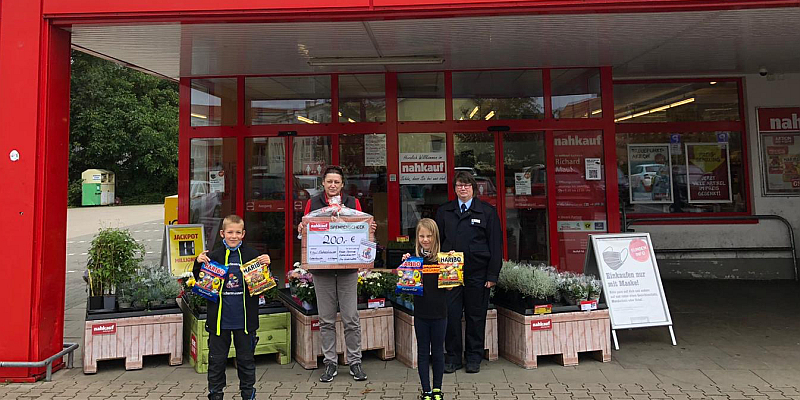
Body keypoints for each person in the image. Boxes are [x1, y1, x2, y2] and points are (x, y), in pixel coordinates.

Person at [297, 165, 377, 382]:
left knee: (351, 317)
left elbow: (363, 228)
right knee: (326, 319)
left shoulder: (353, 203)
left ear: (342, 185)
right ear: (323, 183)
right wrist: (301, 230)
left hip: (348, 269)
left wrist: (370, 229)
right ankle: (330, 363)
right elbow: (304, 230)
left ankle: (355, 362)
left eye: (337, 182)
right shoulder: (313, 203)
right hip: (322, 270)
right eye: (329, 181)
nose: (333, 185)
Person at [193, 214, 271, 400]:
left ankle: (248, 394)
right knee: (216, 362)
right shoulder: (213, 256)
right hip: (219, 323)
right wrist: (197, 264)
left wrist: (266, 265)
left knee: (246, 362)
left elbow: (263, 283)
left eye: (237, 232)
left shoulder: (252, 256)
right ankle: (215, 394)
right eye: (230, 232)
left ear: (243, 234)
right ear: (222, 233)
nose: (233, 236)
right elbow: (200, 280)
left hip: (245, 322)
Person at [435, 171, 502, 374]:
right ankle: (453, 358)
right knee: (451, 316)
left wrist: (492, 275)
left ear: (473, 188)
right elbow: (436, 240)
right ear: (454, 189)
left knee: (476, 316)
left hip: (478, 274)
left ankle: (474, 357)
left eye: (466, 185)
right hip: (450, 273)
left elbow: (496, 245)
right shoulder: (445, 211)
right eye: (459, 185)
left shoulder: (487, 212)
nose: (462, 189)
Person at [402, 218, 448, 400]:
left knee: (438, 352)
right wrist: (404, 266)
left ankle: (437, 389)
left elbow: (451, 286)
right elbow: (406, 285)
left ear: (435, 236)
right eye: (422, 236)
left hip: (440, 313)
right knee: (423, 353)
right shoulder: (413, 260)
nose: (425, 239)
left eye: (429, 236)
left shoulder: (443, 259)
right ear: (417, 237)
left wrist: (452, 265)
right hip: (421, 314)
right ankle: (426, 391)